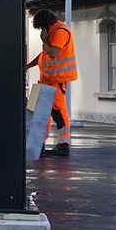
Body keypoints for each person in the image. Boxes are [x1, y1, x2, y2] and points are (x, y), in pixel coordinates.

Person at [27, 8, 77, 157]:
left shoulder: (61, 31)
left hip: (57, 80)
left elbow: (53, 53)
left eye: (42, 28)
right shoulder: (52, 33)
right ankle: (40, 143)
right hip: (47, 80)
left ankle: (64, 144)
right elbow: (44, 54)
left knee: (58, 112)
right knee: (44, 114)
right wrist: (28, 66)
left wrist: (44, 40)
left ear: (45, 24)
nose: (42, 31)